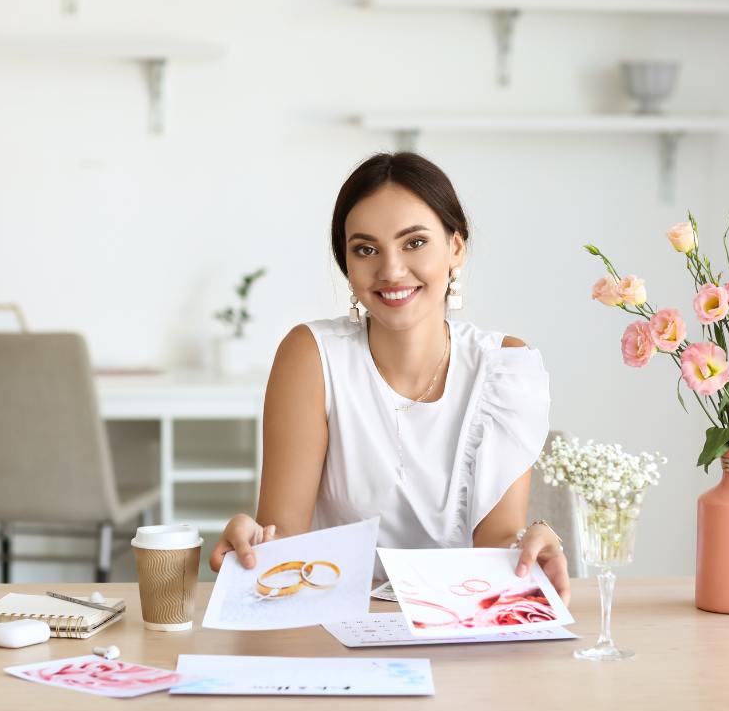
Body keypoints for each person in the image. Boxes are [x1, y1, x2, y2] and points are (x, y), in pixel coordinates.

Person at [209, 152, 569, 603]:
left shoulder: (505, 366)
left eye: (414, 242)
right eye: (366, 249)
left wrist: (530, 541)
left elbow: (495, 549)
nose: (391, 270)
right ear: (347, 261)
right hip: (332, 629)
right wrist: (252, 542)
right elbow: (285, 551)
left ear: (456, 246)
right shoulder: (311, 356)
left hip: (458, 631)